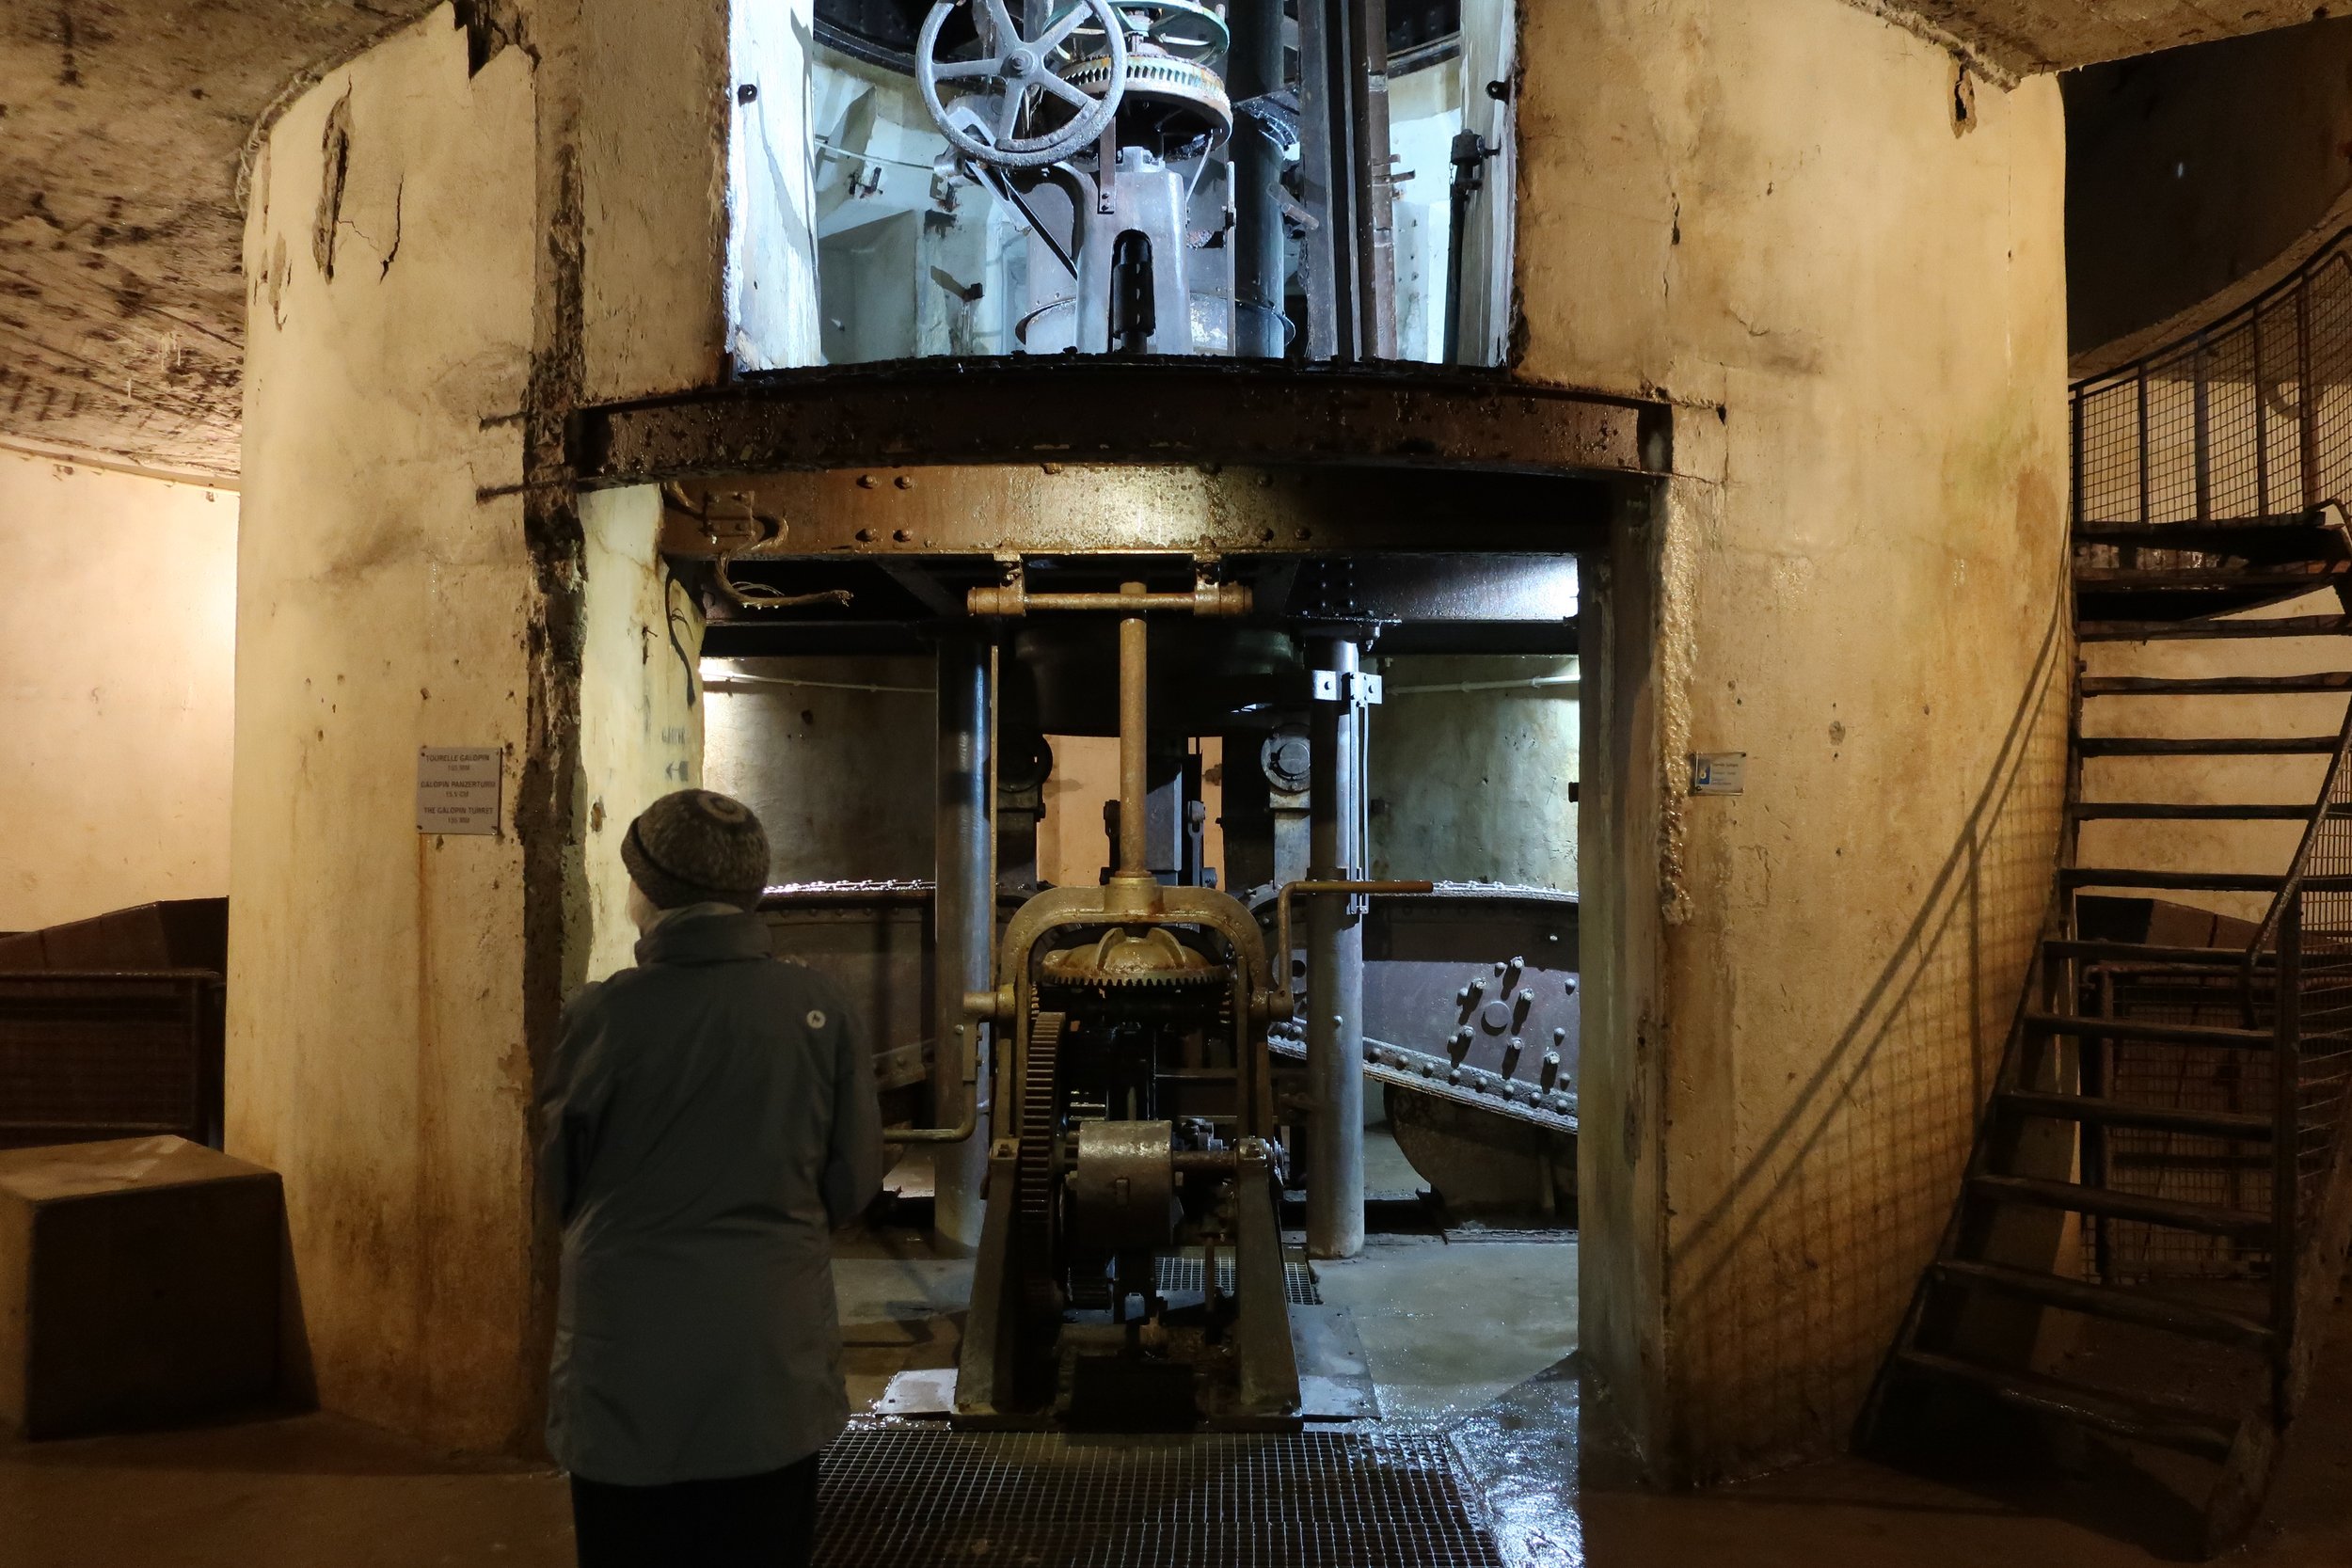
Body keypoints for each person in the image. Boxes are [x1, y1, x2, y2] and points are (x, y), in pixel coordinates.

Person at [535, 788, 884, 1568]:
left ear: (647, 889)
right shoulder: (818, 1008)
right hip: (769, 1355)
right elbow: (853, 1177)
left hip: (623, 1363)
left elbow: (560, 1177)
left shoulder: (601, 1017)